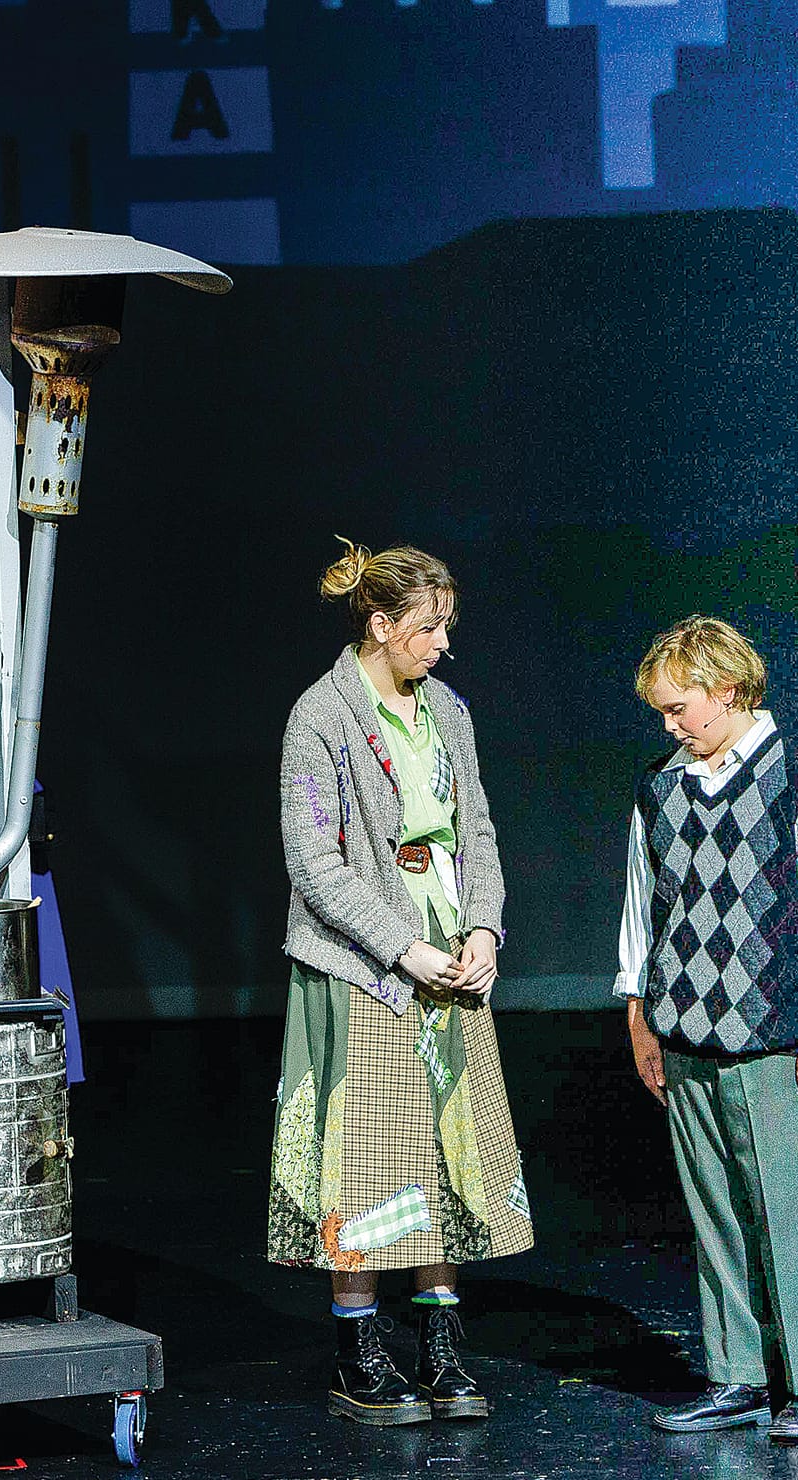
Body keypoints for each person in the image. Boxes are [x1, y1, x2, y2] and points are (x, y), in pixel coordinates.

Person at [269, 538, 532, 1426]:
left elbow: (480, 832)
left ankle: (443, 1348)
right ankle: (357, 1349)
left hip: (452, 958)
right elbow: (315, 859)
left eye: (445, 626)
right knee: (367, 1159)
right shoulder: (322, 716)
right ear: (379, 626)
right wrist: (399, 946)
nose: (441, 644)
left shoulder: (447, 711)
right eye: (426, 628)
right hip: (366, 968)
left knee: (447, 1156)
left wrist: (484, 927)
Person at [618, 615, 798, 1442]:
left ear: (727, 691)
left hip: (768, 1033)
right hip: (684, 1026)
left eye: (680, 707)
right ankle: (737, 1375)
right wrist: (638, 1011)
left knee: (784, 1209)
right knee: (714, 1207)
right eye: (662, 711)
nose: (670, 723)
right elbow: (642, 908)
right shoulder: (659, 788)